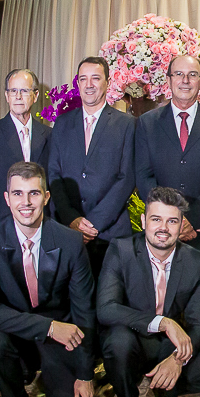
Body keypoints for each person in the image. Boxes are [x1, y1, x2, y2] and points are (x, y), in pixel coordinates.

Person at [0, 161, 96, 397]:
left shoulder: (71, 241)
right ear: (7, 198)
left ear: (46, 197)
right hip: (14, 327)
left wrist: (85, 374)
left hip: (59, 331)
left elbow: (85, 311)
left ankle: (44, 368)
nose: (25, 203)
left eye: (34, 193)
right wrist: (48, 327)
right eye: (18, 193)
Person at [98, 187, 200, 397]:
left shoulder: (196, 261)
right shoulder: (121, 250)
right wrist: (164, 322)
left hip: (168, 345)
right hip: (133, 338)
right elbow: (106, 310)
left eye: (172, 221)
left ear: (181, 225)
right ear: (144, 221)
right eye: (156, 219)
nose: (163, 228)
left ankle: (164, 382)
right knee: (117, 343)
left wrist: (177, 361)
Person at [135, 55, 200, 351]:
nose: (185, 81)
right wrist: (170, 220)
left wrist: (194, 219)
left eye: (192, 75)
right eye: (179, 74)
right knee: (166, 303)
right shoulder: (147, 123)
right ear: (169, 79)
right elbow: (143, 175)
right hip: (163, 233)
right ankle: (165, 358)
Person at [48, 56, 136, 280]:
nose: (89, 85)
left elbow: (127, 177)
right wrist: (71, 218)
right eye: (83, 79)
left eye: (95, 78)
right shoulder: (62, 123)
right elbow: (54, 174)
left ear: (108, 82)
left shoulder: (127, 124)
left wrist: (93, 223)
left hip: (110, 233)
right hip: (68, 231)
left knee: (109, 298)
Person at [0, 68, 52, 225]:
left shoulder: (49, 135)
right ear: (6, 96)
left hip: (41, 223)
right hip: (3, 224)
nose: (18, 96)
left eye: (24, 91)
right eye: (13, 91)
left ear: (35, 95)